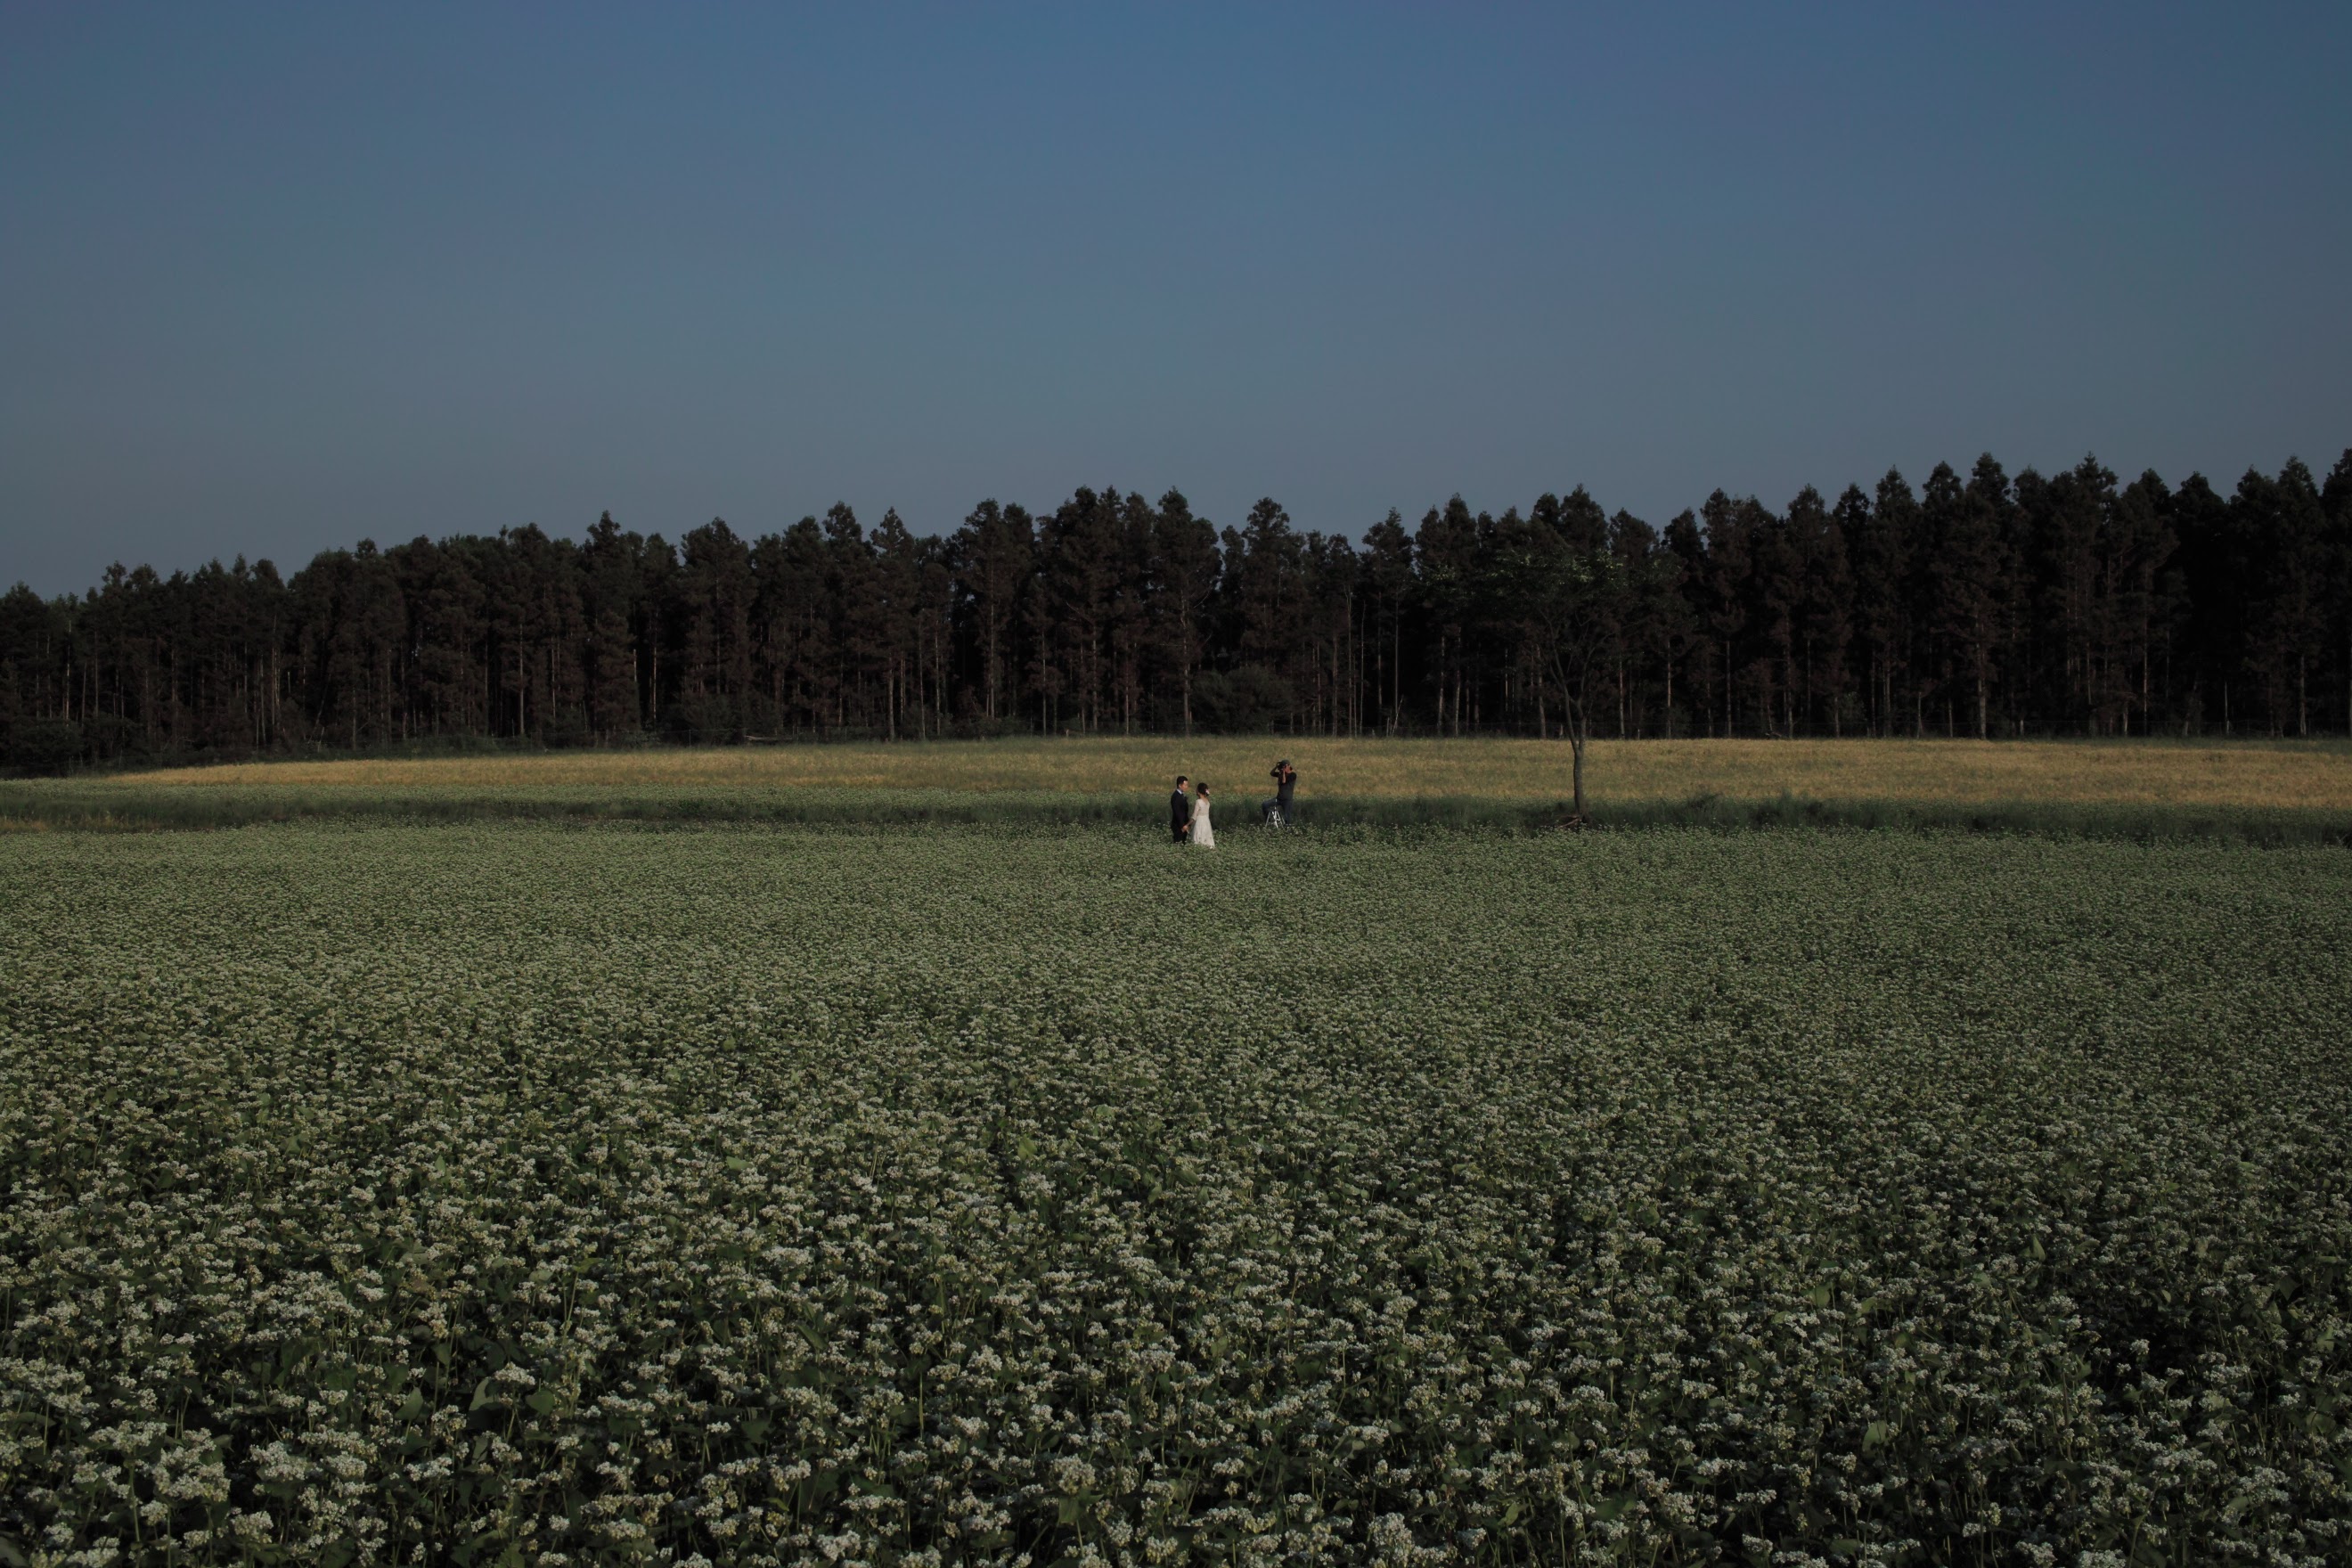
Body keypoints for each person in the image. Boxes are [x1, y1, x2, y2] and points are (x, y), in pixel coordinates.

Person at [1261, 758, 1297, 826]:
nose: (1283, 768)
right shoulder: (1280, 774)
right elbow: (1272, 773)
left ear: (1289, 766)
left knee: (1287, 818)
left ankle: (1287, 830)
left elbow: (1284, 781)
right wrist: (1276, 767)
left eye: (1284, 766)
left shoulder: (1293, 775)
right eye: (1283, 766)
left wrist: (1283, 773)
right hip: (1279, 798)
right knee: (1265, 805)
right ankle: (1268, 820)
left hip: (1287, 800)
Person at [1188, 782, 1215, 847]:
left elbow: (1194, 816)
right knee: (1206, 839)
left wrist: (1187, 825)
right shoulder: (1207, 802)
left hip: (1199, 824)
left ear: (1199, 791)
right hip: (1206, 823)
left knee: (1198, 839)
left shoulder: (1198, 801)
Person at [1169, 775, 1191, 845]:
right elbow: (1177, 812)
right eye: (1185, 785)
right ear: (1179, 785)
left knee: (1183, 843)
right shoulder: (1176, 796)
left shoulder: (1181, 795)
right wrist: (1182, 825)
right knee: (1178, 842)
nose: (1186, 787)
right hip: (1178, 825)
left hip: (1183, 824)